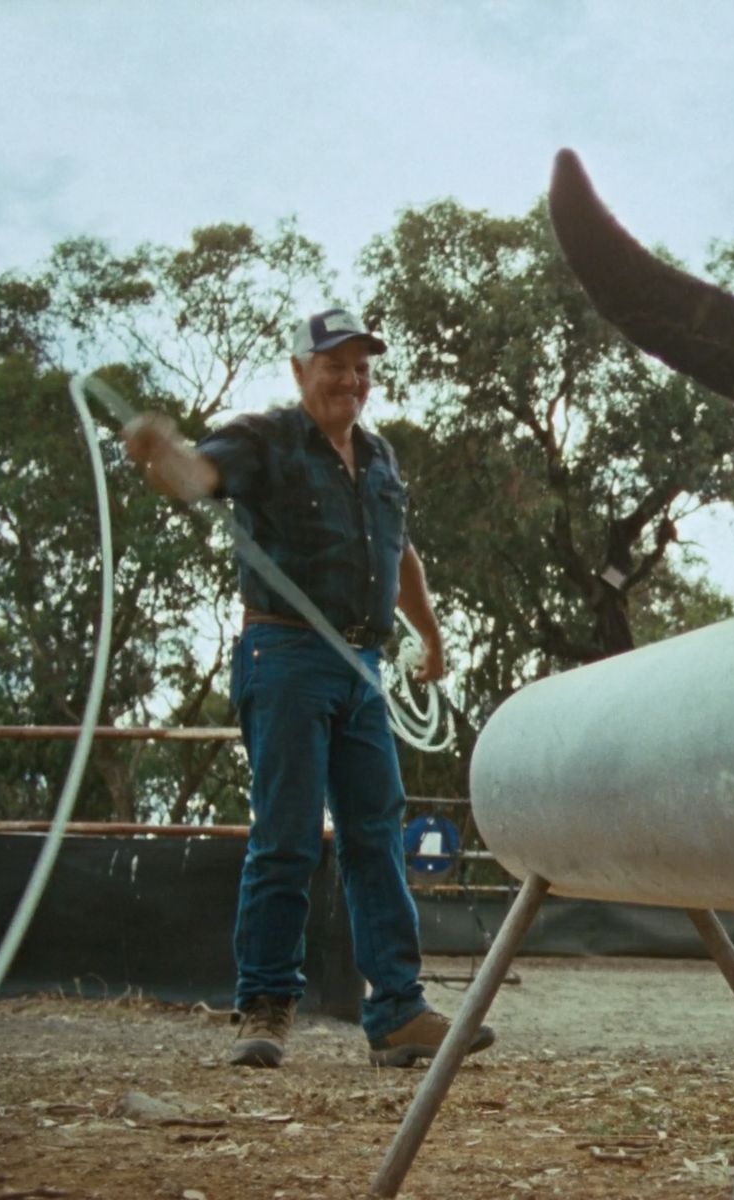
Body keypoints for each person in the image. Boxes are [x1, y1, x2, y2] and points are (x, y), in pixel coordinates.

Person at [124, 307, 493, 1070]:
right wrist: (164, 455)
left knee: (375, 835)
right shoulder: (265, 439)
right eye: (335, 365)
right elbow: (199, 476)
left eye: (361, 367)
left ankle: (396, 1010)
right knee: (287, 834)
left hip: (362, 669)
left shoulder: (382, 459)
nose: (350, 380)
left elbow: (403, 556)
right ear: (300, 372)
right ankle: (263, 1007)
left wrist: (430, 635)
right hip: (283, 655)